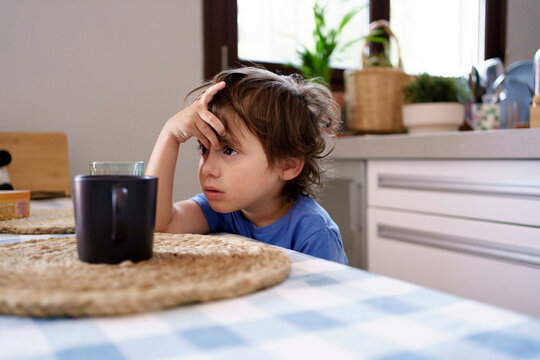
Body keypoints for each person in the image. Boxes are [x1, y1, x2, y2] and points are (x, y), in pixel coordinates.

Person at [145, 67, 347, 264]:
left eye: (229, 151)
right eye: (204, 149)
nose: (207, 169)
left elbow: (327, 296)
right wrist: (170, 135)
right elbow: (157, 227)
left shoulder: (315, 232)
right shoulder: (221, 211)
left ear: (287, 165)